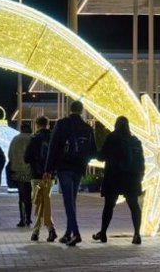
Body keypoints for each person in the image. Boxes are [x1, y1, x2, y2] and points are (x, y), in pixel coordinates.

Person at [44, 100, 97, 247]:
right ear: (81, 111)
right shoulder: (87, 128)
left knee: (68, 201)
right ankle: (68, 233)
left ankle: (76, 233)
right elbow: (93, 151)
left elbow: (53, 147)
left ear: (70, 109)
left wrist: (48, 169)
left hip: (64, 167)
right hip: (79, 168)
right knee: (71, 200)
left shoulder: (62, 124)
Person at [92, 116, 145, 245]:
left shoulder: (112, 138)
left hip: (114, 177)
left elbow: (102, 157)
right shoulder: (135, 141)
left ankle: (103, 233)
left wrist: (93, 151)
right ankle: (137, 234)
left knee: (109, 206)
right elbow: (141, 162)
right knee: (134, 206)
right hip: (131, 178)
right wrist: (139, 177)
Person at [24, 116, 57, 242]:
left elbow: (26, 158)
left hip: (36, 176)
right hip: (49, 175)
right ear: (47, 124)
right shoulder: (53, 138)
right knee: (44, 202)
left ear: (36, 125)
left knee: (41, 202)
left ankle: (40, 231)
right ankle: (46, 230)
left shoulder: (34, 138)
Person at [8, 123, 33, 227]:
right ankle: (28, 218)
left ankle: (22, 219)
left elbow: (10, 155)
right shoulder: (33, 138)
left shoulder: (15, 139)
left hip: (18, 172)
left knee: (21, 196)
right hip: (31, 172)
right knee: (29, 196)